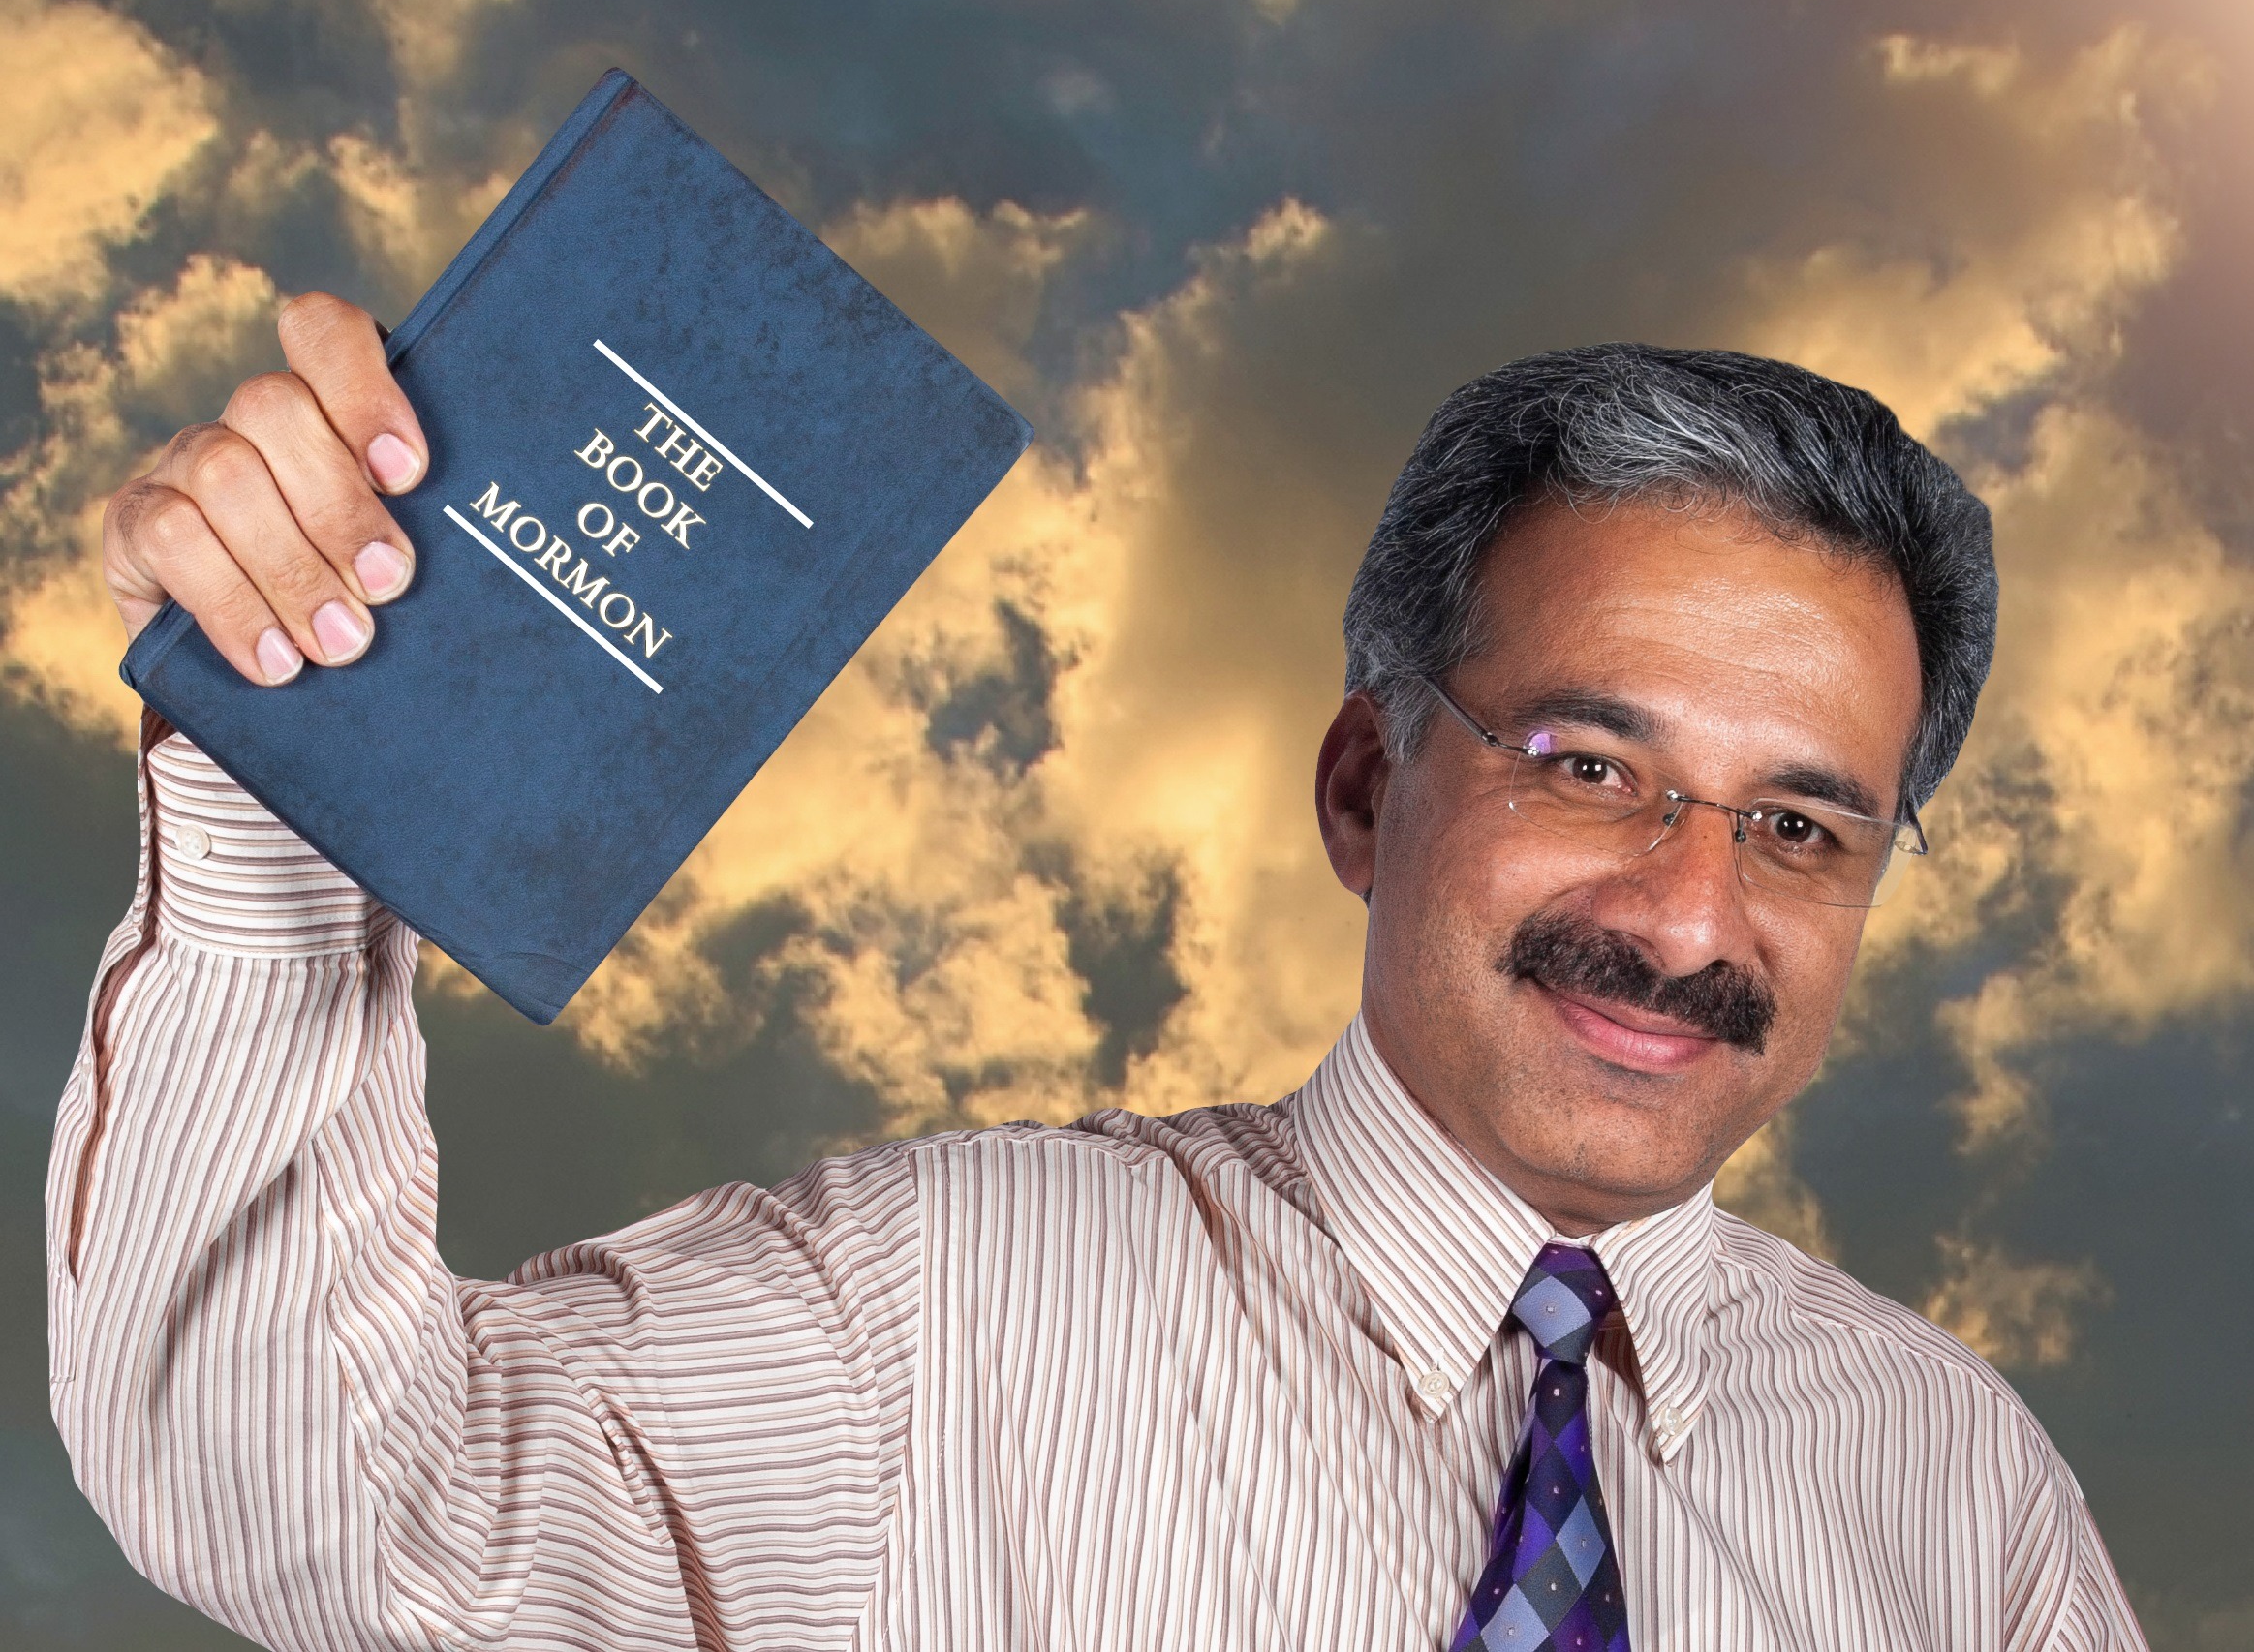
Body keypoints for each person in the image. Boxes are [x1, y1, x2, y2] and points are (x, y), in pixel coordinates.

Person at [47, 297, 2145, 1651]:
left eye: (1799, 825)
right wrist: (301, 759)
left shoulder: (1954, 1489)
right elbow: (304, 1494)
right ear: (1362, 783)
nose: (1691, 916)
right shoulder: (933, 1308)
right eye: (1592, 765)